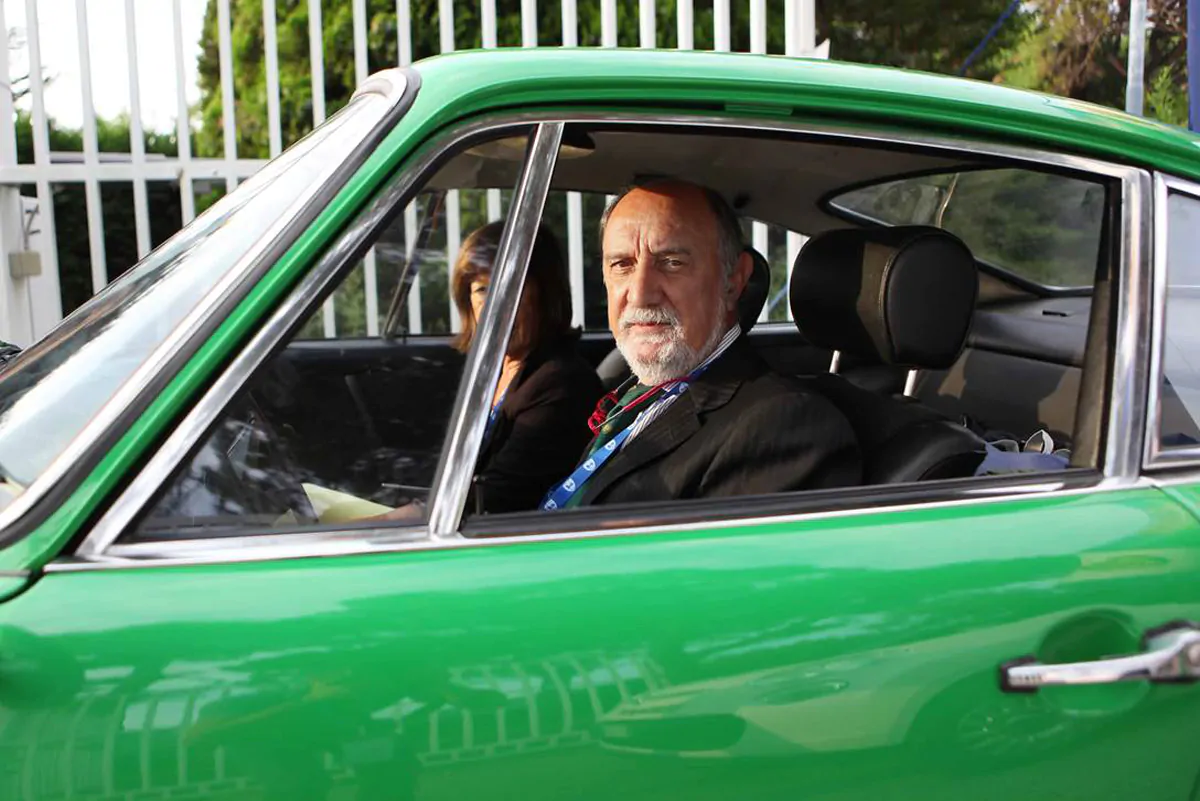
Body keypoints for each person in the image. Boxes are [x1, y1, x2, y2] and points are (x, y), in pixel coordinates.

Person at [540, 180, 861, 510]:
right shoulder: (639, 396)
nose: (640, 294)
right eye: (622, 264)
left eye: (672, 262)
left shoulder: (784, 425)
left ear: (733, 280)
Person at [452, 221, 602, 513]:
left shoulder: (562, 383)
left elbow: (497, 498)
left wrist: (405, 516)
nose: (497, 307)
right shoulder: (491, 371)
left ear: (545, 296)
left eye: (513, 289)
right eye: (482, 289)